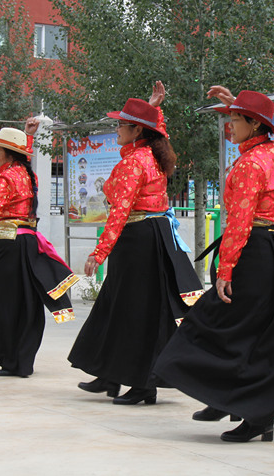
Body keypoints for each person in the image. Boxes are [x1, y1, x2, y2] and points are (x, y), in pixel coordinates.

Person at [153, 88, 274, 442]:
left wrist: (225, 270)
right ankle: (227, 399)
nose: (229, 124)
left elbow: (240, 220)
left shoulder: (249, 165)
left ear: (253, 123)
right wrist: (235, 102)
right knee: (248, 331)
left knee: (217, 325)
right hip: (273, 248)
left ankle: (255, 414)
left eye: (234, 118)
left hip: (251, 251)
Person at [68, 82, 204, 405]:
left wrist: (99, 252)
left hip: (138, 242)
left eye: (121, 124)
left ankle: (142, 384)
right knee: (116, 308)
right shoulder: (151, 155)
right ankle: (110, 374)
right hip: (149, 239)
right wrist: (153, 106)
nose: (116, 128)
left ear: (136, 130)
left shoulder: (134, 162)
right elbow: (160, 132)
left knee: (133, 313)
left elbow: (120, 210)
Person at [0, 125, 79, 377]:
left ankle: (9, 359)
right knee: (24, 303)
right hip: (26, 244)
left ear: (9, 154)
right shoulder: (28, 176)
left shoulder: (5, 179)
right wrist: (28, 135)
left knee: (3, 303)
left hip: (8, 246)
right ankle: (18, 360)